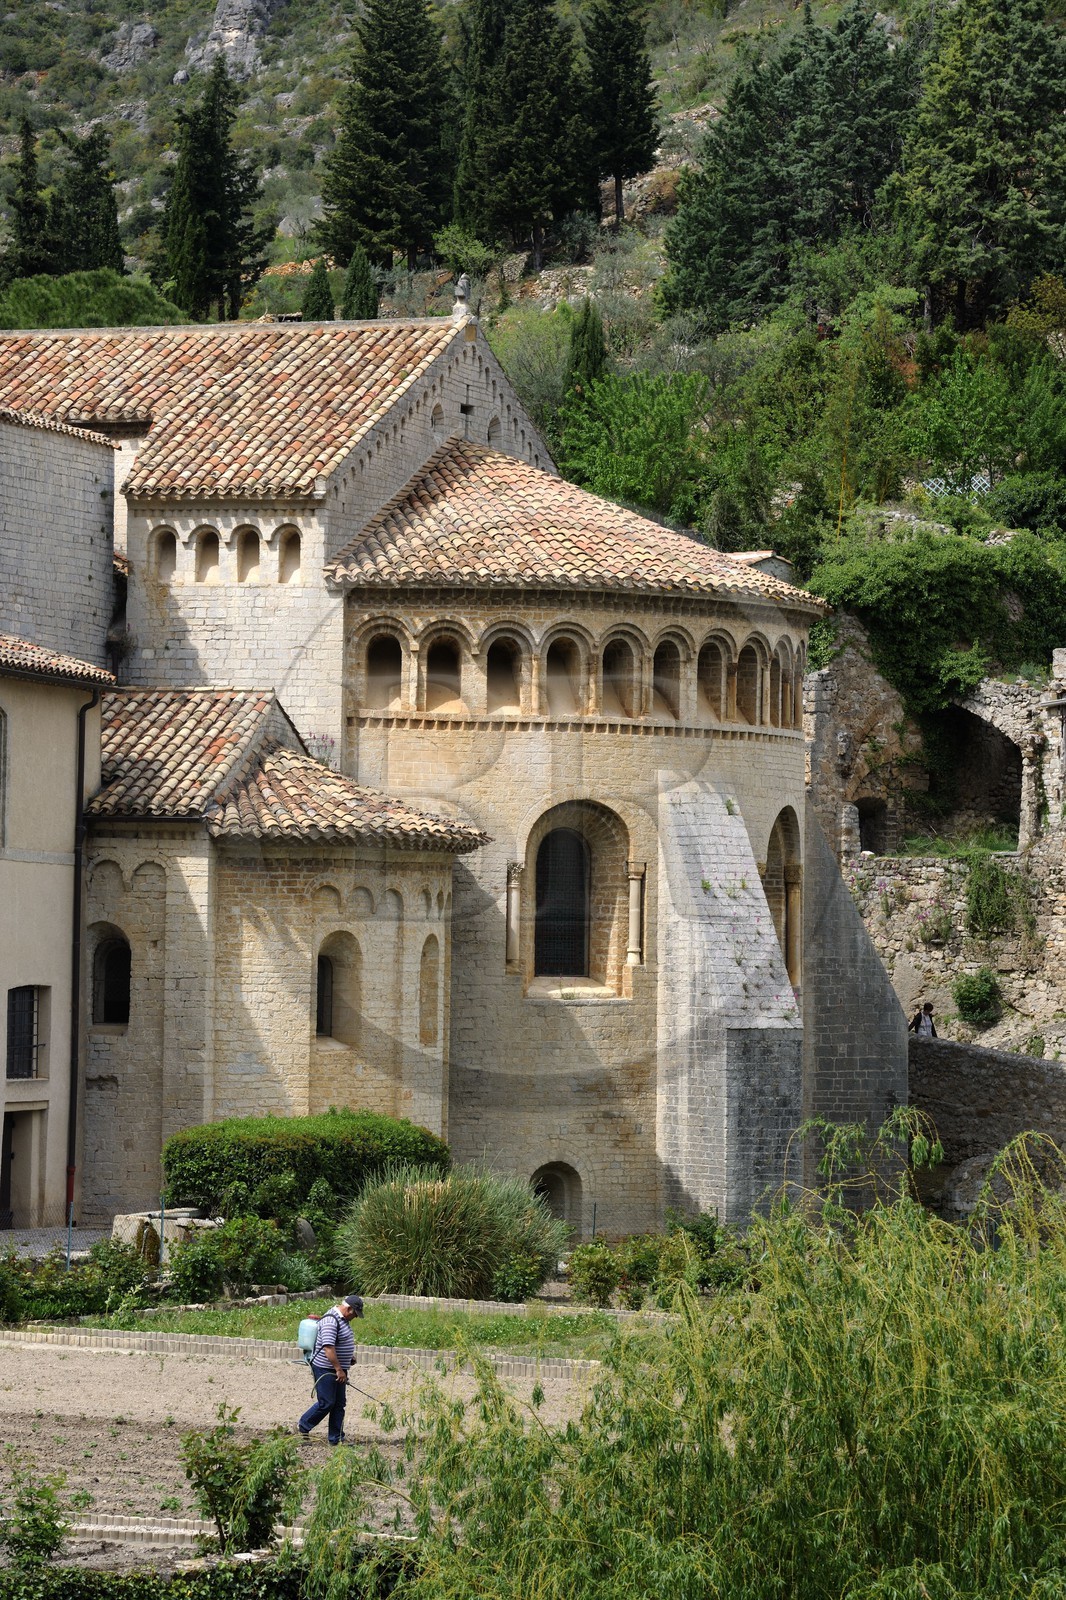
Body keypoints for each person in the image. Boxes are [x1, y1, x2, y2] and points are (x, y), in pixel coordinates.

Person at [297, 1293, 364, 1445]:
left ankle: (336, 1439)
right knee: (326, 1402)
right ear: (349, 1309)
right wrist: (339, 1369)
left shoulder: (343, 1320)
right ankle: (303, 1425)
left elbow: (339, 1342)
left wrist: (348, 1357)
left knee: (339, 1404)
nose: (355, 1317)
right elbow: (328, 1348)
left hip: (338, 1368)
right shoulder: (330, 1321)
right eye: (355, 1314)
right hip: (325, 1368)